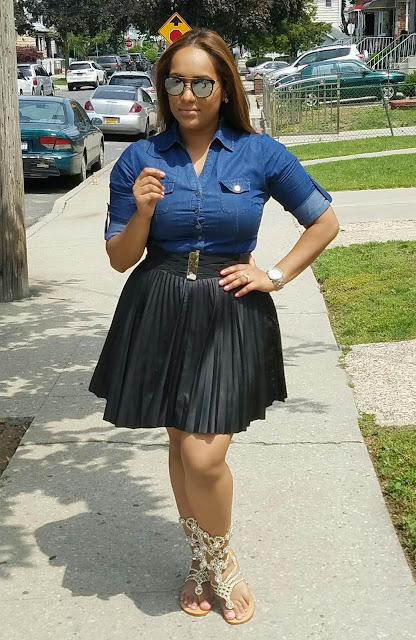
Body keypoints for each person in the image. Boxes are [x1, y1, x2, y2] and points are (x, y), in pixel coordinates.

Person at [89, 28, 339, 625]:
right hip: (159, 303)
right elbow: (121, 258)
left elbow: (324, 222)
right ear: (164, 87)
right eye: (176, 81)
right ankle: (201, 562)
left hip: (229, 309)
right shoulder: (140, 159)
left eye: (202, 83)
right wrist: (142, 211)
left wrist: (273, 274)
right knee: (180, 444)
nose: (188, 95)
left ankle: (223, 563)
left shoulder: (260, 154)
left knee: (203, 456)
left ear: (225, 87)